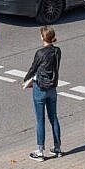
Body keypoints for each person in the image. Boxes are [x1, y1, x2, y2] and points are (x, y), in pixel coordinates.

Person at [22, 25, 62, 160]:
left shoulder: (40, 53)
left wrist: (26, 79)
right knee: (53, 117)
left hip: (40, 89)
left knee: (40, 120)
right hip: (52, 88)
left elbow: (34, 68)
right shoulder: (57, 51)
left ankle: (40, 151)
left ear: (42, 37)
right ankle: (57, 148)